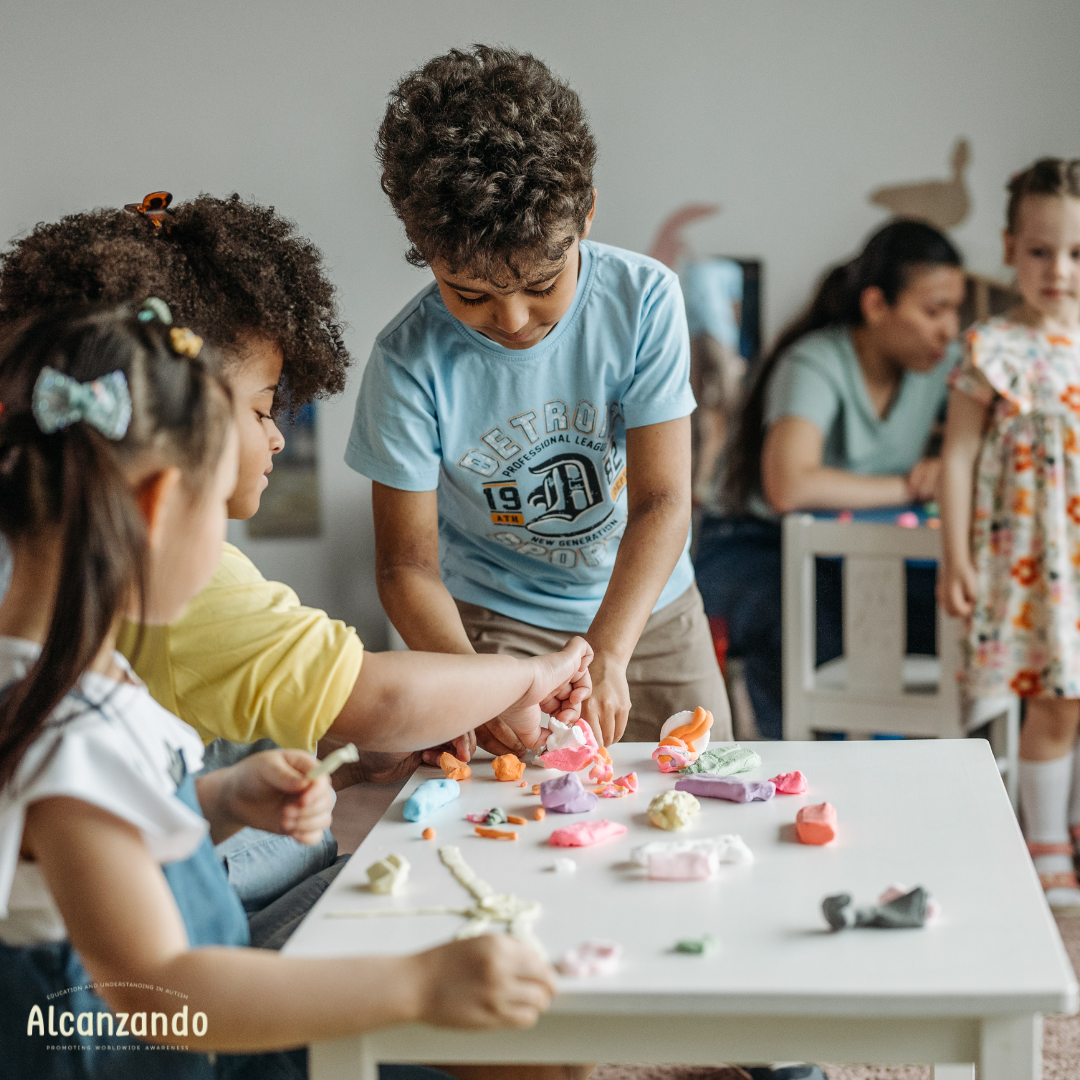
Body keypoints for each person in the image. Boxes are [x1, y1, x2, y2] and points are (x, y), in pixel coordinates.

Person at [0, 193, 592, 942]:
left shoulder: (62, 628)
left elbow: (151, 795)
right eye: (261, 409)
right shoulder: (153, 603)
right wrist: (530, 674)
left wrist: (298, 776)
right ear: (159, 488)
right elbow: (376, 698)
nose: (277, 439)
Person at [0, 304, 566, 1078]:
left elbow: (89, 858)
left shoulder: (55, 679)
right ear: (157, 507)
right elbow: (162, 992)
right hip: (185, 1060)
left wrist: (224, 800)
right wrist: (416, 983)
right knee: (522, 1057)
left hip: (203, 1042)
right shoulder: (67, 733)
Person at [347, 45, 731, 751]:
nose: (515, 319)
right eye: (471, 294)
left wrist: (611, 651)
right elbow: (405, 567)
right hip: (492, 623)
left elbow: (663, 502)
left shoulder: (643, 301)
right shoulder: (408, 360)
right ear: (421, 245)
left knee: (700, 782)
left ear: (585, 214)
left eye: (543, 284)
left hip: (647, 608)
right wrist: (472, 686)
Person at [696, 220, 966, 737]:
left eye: (954, 310)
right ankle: (804, 773)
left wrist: (952, 466)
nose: (949, 329)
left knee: (936, 615)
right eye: (934, 310)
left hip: (855, 550)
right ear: (875, 306)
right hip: (751, 543)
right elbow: (789, 486)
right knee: (817, 625)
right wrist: (913, 483)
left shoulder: (942, 365)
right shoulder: (816, 360)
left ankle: (903, 762)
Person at [939, 158, 1080, 909]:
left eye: (1076, 253)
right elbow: (958, 456)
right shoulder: (991, 345)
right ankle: (1045, 837)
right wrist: (954, 556)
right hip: (1031, 559)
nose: (1058, 269)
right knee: (1054, 697)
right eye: (1040, 250)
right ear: (1009, 247)